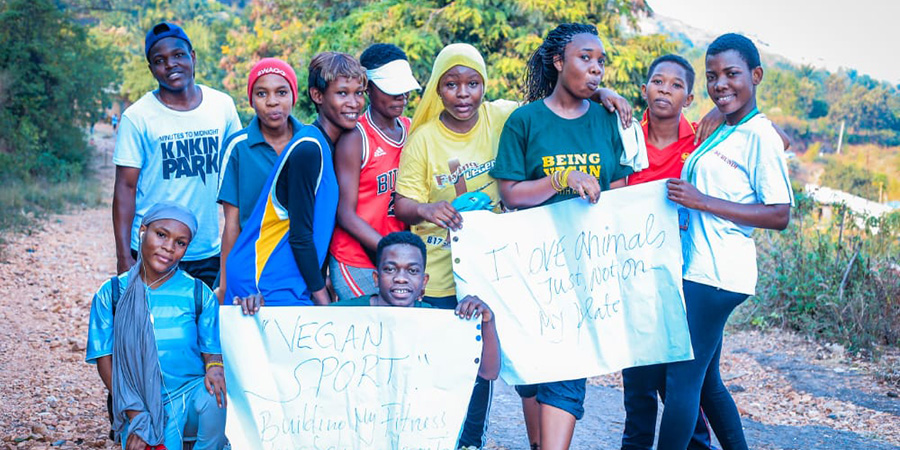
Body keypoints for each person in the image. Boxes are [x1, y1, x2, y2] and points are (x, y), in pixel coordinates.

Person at [490, 23, 636, 450]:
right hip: (533, 271)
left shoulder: (608, 120)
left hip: (587, 273)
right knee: (534, 375)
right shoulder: (525, 120)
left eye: (601, 62)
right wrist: (562, 179)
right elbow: (511, 194)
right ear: (558, 62)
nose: (596, 70)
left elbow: (620, 196)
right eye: (585, 58)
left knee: (568, 374)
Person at [234, 231, 501, 449]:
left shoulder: (441, 324)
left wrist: (487, 323)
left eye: (412, 270)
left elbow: (489, 371)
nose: (400, 277)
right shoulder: (343, 318)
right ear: (376, 277)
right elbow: (285, 351)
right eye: (390, 269)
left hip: (417, 436)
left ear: (423, 281)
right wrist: (254, 315)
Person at [659, 33, 794, 450]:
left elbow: (779, 213)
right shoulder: (728, 128)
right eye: (713, 76)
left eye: (732, 74)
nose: (721, 85)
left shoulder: (759, 136)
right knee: (706, 380)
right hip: (702, 267)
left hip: (717, 274)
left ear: (755, 75)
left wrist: (702, 201)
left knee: (681, 379)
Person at [621, 54, 716, 450]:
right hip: (631, 270)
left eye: (676, 85)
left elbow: (777, 140)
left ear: (689, 98)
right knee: (639, 377)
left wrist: (728, 117)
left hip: (684, 273)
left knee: (678, 377)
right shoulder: (624, 133)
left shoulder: (702, 140)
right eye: (657, 81)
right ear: (644, 90)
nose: (665, 89)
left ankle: (698, 444)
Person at [224, 52, 366, 306]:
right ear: (317, 96)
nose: (354, 102)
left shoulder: (326, 145)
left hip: (287, 279)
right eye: (342, 93)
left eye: (358, 93)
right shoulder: (308, 149)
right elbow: (300, 235)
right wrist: (321, 294)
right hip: (261, 280)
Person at [86, 202, 226, 450]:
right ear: (142, 231)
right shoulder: (112, 294)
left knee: (215, 399)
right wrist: (135, 413)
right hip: (138, 400)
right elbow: (104, 359)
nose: (169, 248)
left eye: (180, 242)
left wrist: (214, 366)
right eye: (161, 234)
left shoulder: (198, 293)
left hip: (188, 394)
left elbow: (211, 348)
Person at [112, 22, 242, 287]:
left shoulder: (222, 106)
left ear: (192, 57)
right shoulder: (137, 117)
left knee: (204, 324)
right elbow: (125, 188)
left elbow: (239, 173)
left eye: (178, 55)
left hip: (207, 249)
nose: (171, 64)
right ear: (151, 70)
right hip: (153, 250)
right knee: (152, 326)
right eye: (160, 60)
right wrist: (124, 256)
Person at [329, 44, 419, 301]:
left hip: (396, 260)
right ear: (368, 88)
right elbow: (345, 214)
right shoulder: (356, 137)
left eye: (405, 90)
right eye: (392, 90)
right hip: (356, 257)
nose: (401, 97)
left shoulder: (411, 129)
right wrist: (390, 249)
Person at [216, 57, 302, 303]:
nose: (272, 101)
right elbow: (232, 224)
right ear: (251, 100)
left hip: (297, 268)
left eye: (281, 92)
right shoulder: (238, 148)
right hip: (250, 267)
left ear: (293, 96)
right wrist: (224, 286)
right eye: (262, 93)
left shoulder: (309, 144)